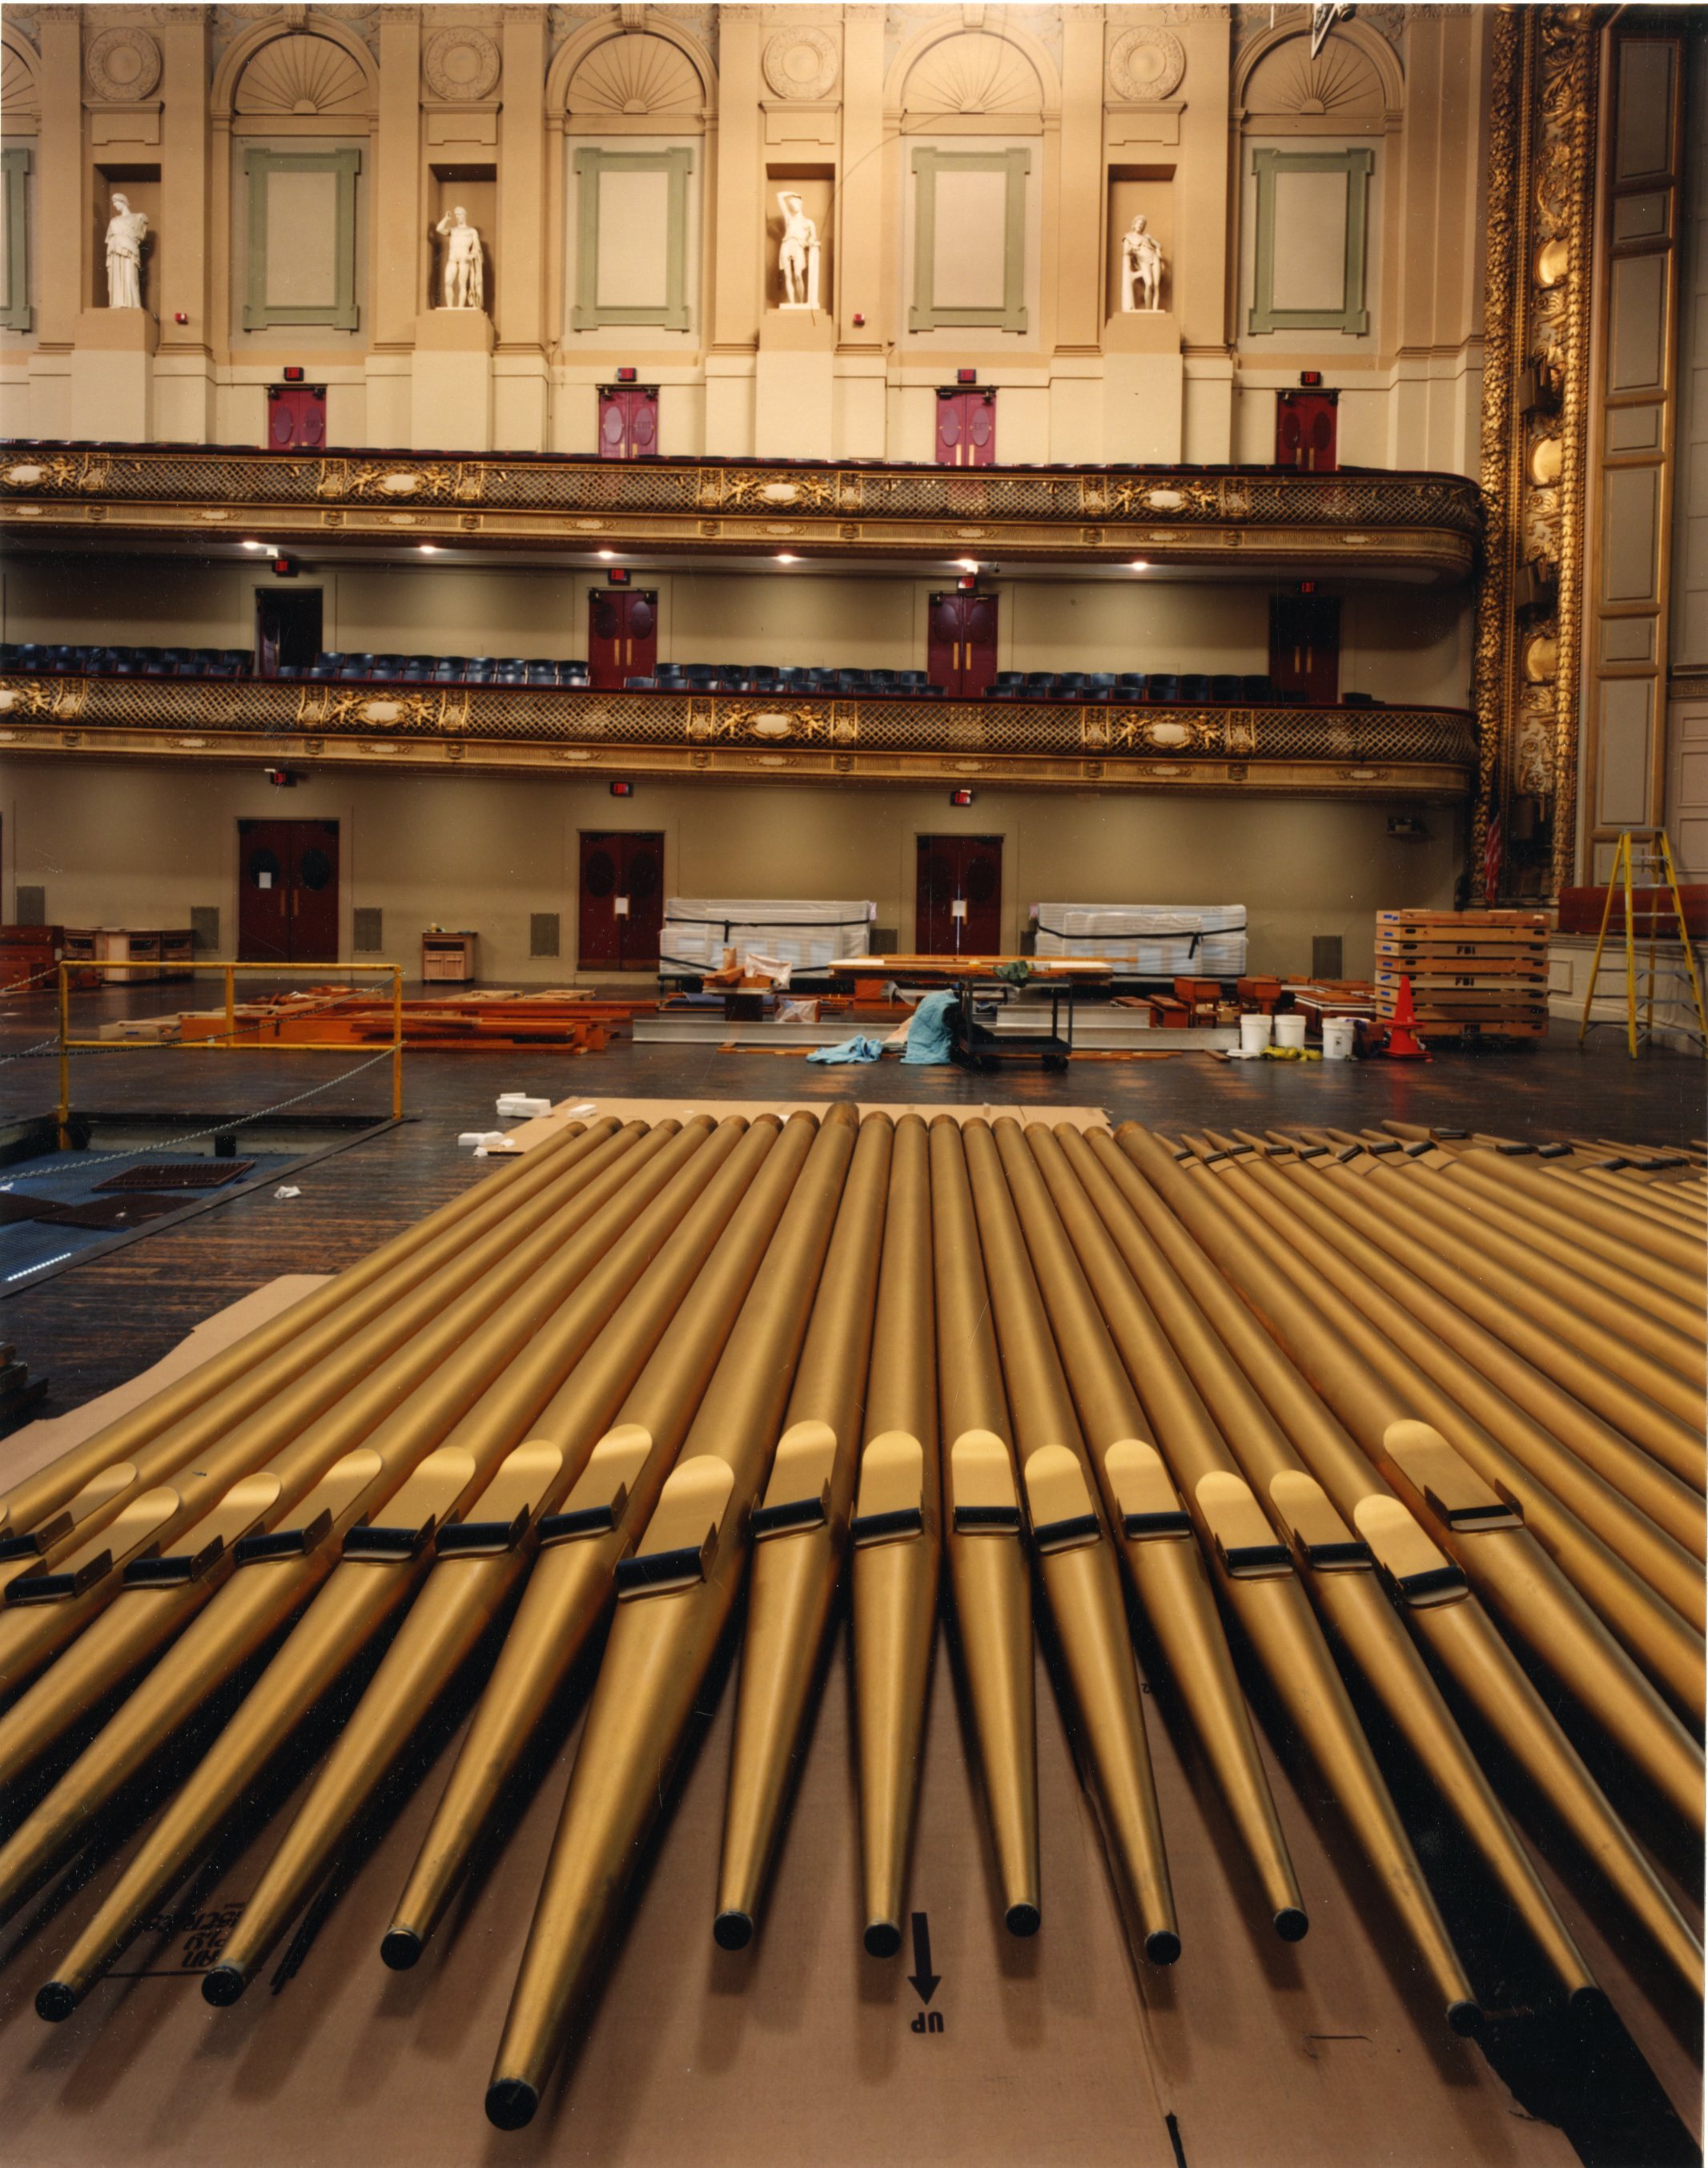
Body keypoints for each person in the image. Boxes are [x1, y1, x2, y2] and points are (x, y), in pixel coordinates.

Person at [434, 206, 484, 311]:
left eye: (460, 214)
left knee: (462, 284)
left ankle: (460, 308)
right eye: (456, 215)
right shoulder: (453, 230)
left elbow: (477, 248)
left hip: (464, 260)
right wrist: (446, 219)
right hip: (452, 259)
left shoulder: (471, 231)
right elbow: (439, 229)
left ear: (464, 215)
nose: (458, 217)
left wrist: (472, 255)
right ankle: (450, 307)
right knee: (448, 282)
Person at [105, 194, 148, 310]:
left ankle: (135, 304)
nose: (115, 205)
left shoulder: (137, 218)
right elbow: (110, 239)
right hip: (116, 251)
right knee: (117, 277)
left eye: (116, 202)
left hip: (129, 250)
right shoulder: (114, 221)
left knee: (130, 277)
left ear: (123, 202)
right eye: (113, 203)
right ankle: (117, 302)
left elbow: (140, 235)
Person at [778, 191, 820, 310]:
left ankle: (801, 303)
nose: (792, 207)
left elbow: (813, 238)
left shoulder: (808, 222)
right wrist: (793, 193)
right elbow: (779, 196)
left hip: (798, 246)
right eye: (791, 205)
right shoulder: (788, 218)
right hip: (786, 244)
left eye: (795, 204)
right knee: (787, 276)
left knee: (797, 275)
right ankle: (792, 303)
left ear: (800, 205)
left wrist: (810, 240)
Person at [1120, 211, 1164, 313]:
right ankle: (1149, 310)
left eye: (1142, 225)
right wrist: (1133, 248)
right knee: (1149, 283)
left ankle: (1155, 309)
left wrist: (1158, 251)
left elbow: (1159, 246)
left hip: (1154, 258)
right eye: (1138, 224)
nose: (1140, 226)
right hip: (1143, 260)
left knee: (1156, 286)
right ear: (1134, 224)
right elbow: (1126, 251)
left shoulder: (1147, 236)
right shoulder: (1128, 237)